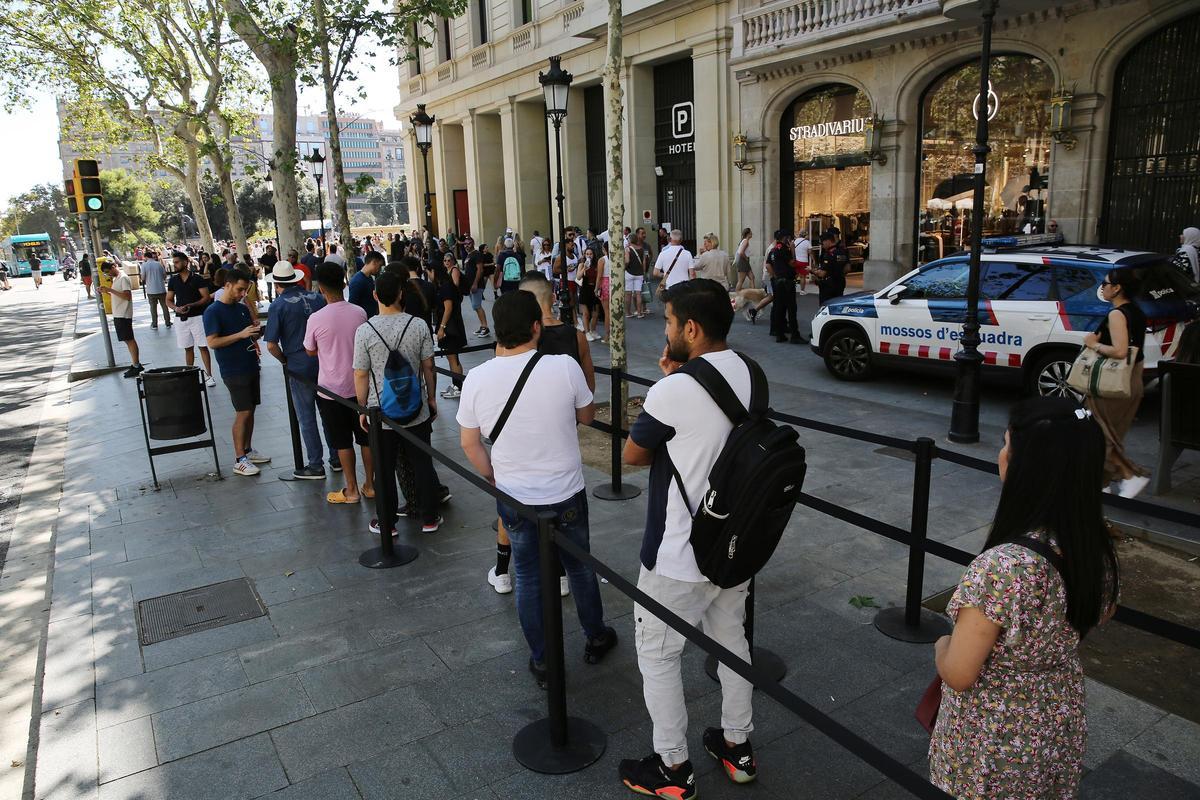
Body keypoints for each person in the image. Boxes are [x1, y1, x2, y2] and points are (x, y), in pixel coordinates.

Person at [929, 397, 1119, 800]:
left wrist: (941, 644)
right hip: (1057, 713)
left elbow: (960, 674)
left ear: (1029, 470)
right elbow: (1101, 614)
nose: (1001, 454)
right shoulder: (1094, 546)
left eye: (1006, 445)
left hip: (995, 731)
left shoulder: (1004, 567)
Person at [619, 279, 758, 799]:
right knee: (731, 641)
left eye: (670, 321)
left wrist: (669, 385)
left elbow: (633, 455)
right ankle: (737, 746)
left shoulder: (674, 389)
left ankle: (673, 768)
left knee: (657, 654)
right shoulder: (750, 373)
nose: (667, 329)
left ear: (691, 329)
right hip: (736, 544)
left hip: (679, 553)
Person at [457, 291, 617, 687]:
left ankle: (543, 660)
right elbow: (586, 415)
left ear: (497, 331)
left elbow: (469, 443)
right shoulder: (563, 366)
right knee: (580, 566)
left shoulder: (477, 377)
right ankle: (596, 636)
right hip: (565, 491)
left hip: (515, 496)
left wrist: (494, 476)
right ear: (535, 328)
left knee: (527, 575)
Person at [353, 270, 444, 535]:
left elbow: (360, 373)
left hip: (380, 411)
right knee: (422, 464)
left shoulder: (365, 331)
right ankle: (429, 517)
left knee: (383, 469)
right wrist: (430, 398)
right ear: (401, 294)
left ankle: (387, 522)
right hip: (417, 409)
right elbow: (429, 366)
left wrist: (362, 406)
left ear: (374, 296)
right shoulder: (418, 325)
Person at [305, 262, 373, 504]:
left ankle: (351, 489)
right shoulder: (359, 312)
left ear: (320, 288)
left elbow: (310, 350)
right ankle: (370, 485)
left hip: (331, 390)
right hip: (360, 387)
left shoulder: (316, 318)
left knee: (342, 441)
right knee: (365, 437)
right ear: (344, 282)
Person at [264, 260, 337, 479]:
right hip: (323, 361)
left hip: (298, 363)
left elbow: (271, 344)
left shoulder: (278, 305)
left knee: (306, 417)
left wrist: (284, 360)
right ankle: (336, 458)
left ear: (277, 284)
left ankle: (316, 464)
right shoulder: (317, 298)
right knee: (328, 412)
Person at [1083, 267, 1149, 497]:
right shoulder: (1137, 313)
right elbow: (1137, 354)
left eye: (1105, 283)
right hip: (1130, 382)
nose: (1103, 288)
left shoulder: (1117, 314)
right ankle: (1102, 483)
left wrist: (1093, 344)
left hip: (1111, 385)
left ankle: (1130, 475)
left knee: (1099, 434)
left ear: (1117, 287)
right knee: (1111, 434)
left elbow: (1121, 351)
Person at [204, 268, 271, 477]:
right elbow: (212, 342)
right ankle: (239, 457)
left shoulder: (241, 308)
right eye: (240, 290)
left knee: (250, 409)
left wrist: (254, 334)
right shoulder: (213, 311)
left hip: (250, 363)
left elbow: (245, 334)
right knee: (243, 411)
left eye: (245, 290)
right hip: (233, 368)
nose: (242, 294)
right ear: (228, 285)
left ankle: (248, 450)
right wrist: (241, 334)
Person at [166, 251, 216, 386]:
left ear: (185, 262)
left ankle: (209, 375)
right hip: (181, 318)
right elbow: (169, 300)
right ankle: (189, 375)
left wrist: (191, 305)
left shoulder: (197, 278)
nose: (174, 264)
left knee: (203, 346)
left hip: (198, 317)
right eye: (174, 262)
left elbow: (206, 297)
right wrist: (176, 308)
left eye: (177, 262)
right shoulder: (173, 280)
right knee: (187, 347)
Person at [96, 259, 144, 379]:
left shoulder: (123, 278)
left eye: (108, 271)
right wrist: (106, 291)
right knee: (127, 340)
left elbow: (127, 296)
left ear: (114, 266)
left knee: (129, 339)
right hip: (118, 313)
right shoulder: (116, 279)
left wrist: (110, 290)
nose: (108, 274)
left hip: (124, 314)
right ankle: (135, 363)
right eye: (106, 273)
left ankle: (136, 364)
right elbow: (118, 295)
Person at [433, 252, 467, 399]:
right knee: (452, 357)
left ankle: (458, 386)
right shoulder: (446, 285)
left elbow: (448, 308)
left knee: (453, 358)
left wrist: (442, 327)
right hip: (453, 326)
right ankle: (456, 385)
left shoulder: (447, 286)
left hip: (451, 328)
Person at [765, 229, 803, 344]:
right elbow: (793, 263)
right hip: (787, 282)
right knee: (791, 309)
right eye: (789, 238)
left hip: (778, 283)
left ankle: (779, 334)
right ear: (785, 238)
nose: (790, 240)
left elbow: (768, 265)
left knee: (779, 309)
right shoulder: (785, 249)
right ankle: (795, 335)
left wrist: (775, 277)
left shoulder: (773, 250)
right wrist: (793, 250)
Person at [812, 231, 848, 306]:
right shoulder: (843, 252)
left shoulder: (829, 254)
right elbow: (847, 268)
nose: (822, 245)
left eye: (822, 243)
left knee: (825, 308)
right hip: (840, 283)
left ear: (828, 241)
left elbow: (822, 274)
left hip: (828, 286)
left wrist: (812, 271)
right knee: (837, 306)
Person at [464, 242, 491, 337]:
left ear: (473, 243)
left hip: (476, 285)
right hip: (470, 285)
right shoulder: (469, 256)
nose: (466, 245)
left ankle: (485, 327)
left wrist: (475, 283)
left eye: (468, 243)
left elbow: (480, 269)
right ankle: (482, 326)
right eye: (465, 244)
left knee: (477, 306)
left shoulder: (476, 254)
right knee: (475, 306)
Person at [138, 250, 170, 330]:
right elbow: (165, 276)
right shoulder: (159, 264)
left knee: (153, 308)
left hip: (151, 290)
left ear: (146, 257)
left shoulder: (144, 266)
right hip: (161, 288)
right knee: (165, 307)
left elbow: (143, 278)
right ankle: (168, 323)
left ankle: (155, 324)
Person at [577, 244, 602, 343]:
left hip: (594, 289)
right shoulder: (582, 264)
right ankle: (587, 332)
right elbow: (578, 277)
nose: (589, 256)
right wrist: (584, 268)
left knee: (595, 312)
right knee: (586, 313)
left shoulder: (597, 265)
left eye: (590, 254)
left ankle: (593, 330)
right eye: (587, 254)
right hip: (585, 289)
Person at [348, 250, 383, 318]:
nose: (379, 269)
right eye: (379, 266)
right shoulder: (357, 281)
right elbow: (352, 304)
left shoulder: (368, 277)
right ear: (374, 262)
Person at [626, 228, 649, 319]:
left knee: (628, 294)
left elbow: (627, 261)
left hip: (629, 273)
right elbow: (644, 262)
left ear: (630, 240)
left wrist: (624, 266)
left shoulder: (627, 249)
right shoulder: (641, 249)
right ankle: (639, 313)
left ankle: (628, 313)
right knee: (638, 293)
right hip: (639, 274)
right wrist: (643, 272)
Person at [792, 230, 812, 296]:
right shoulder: (807, 242)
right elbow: (810, 252)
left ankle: (791, 289)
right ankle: (802, 291)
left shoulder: (796, 241)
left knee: (795, 275)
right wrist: (814, 260)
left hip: (796, 261)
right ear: (805, 235)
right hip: (804, 261)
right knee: (802, 277)